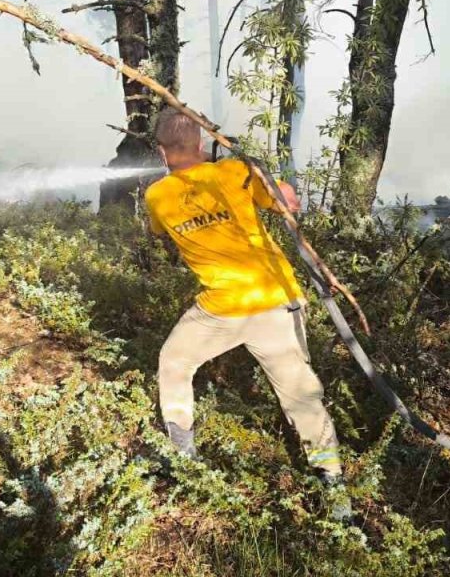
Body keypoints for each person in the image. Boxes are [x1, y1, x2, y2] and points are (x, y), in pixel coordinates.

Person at [145, 108, 349, 517]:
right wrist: (259, 172)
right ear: (201, 144)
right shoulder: (235, 171)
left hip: (223, 308)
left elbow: (156, 230)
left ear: (162, 152)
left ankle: (183, 455)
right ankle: (335, 490)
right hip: (275, 298)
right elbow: (288, 203)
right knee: (300, 394)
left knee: (175, 361)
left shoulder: (157, 196)